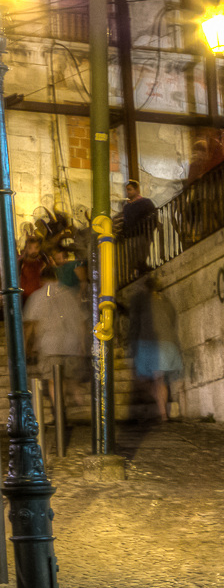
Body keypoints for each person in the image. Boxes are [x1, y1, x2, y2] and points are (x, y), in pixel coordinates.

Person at [24, 256, 89, 422]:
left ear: (42, 280)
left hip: (49, 345)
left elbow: (30, 325)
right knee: (64, 378)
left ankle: (59, 412)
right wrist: (82, 344)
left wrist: (26, 346)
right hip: (71, 344)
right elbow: (82, 322)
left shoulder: (37, 296)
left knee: (53, 381)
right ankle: (66, 404)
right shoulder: (70, 294)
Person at [126, 273, 182, 422]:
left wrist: (132, 344)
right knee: (160, 379)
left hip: (149, 343)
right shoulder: (165, 300)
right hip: (167, 343)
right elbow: (173, 318)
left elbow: (135, 324)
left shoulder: (141, 301)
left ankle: (162, 409)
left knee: (143, 379)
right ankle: (163, 414)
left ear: (145, 287)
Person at [119, 179, 157, 273]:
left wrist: (148, 230)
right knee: (133, 258)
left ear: (137, 190)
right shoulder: (127, 207)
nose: (127, 192)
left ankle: (141, 270)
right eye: (127, 190)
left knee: (141, 255)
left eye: (130, 189)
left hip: (142, 233)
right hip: (131, 236)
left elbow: (153, 216)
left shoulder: (145, 202)